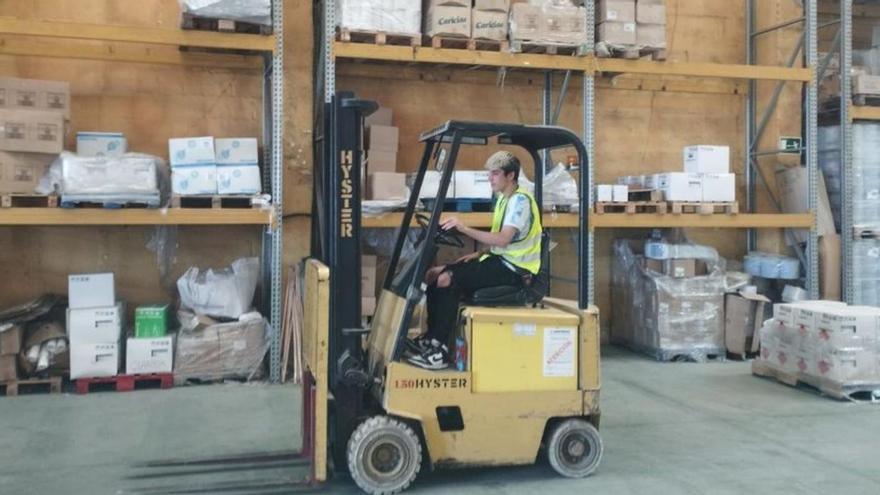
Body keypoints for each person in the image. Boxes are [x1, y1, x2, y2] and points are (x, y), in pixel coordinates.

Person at [407, 151, 543, 369]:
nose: (490, 178)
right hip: (498, 261)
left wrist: (463, 228)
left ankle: (439, 351)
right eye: (490, 174)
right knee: (434, 274)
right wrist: (479, 254)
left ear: (510, 176)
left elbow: (503, 238)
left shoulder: (520, 202)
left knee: (447, 279)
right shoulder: (502, 199)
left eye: (496, 174)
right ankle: (431, 338)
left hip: (516, 271)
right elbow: (503, 241)